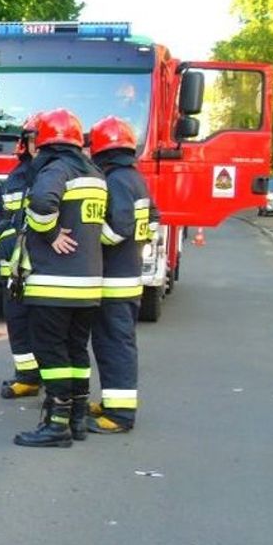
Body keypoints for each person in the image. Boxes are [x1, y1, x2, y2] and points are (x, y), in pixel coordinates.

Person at [12, 109, 105, 448]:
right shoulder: (95, 173)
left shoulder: (56, 170)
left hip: (54, 283)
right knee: (76, 350)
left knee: (50, 352)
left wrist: (49, 234)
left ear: (48, 142)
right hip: (89, 284)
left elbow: (40, 202)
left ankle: (56, 425)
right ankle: (78, 418)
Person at [87, 116, 158, 434]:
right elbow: (153, 221)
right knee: (112, 343)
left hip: (115, 280)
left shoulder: (116, 180)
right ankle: (114, 403)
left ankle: (119, 416)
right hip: (126, 276)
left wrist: (87, 234)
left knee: (114, 345)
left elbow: (117, 230)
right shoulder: (134, 178)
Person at [0, 114, 42, 398]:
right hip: (12, 270)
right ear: (24, 143)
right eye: (31, 139)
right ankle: (27, 377)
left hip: (43, 269)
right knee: (17, 322)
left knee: (46, 327)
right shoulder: (15, 178)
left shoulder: (57, 173)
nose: (36, 145)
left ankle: (53, 381)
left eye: (41, 139)